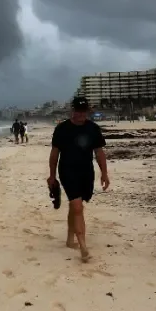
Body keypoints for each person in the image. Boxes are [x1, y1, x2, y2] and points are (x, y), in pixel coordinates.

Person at [47, 96, 109, 263]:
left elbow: (99, 152)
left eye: (83, 111)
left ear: (87, 111)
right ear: (72, 110)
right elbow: (54, 155)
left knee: (76, 206)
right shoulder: (62, 129)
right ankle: (83, 246)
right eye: (77, 111)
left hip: (86, 172)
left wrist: (104, 173)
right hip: (67, 171)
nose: (80, 114)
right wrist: (52, 176)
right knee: (77, 207)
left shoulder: (93, 128)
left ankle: (69, 239)